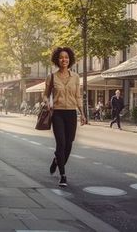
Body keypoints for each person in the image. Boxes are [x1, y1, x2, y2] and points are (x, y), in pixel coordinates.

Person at [44, 47, 86, 188]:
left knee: (69, 144)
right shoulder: (52, 77)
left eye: (66, 57)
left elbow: (78, 96)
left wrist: (83, 113)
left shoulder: (75, 77)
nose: (64, 60)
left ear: (70, 60)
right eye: (61, 57)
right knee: (61, 144)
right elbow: (45, 94)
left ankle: (57, 160)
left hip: (71, 113)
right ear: (57, 59)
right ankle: (63, 175)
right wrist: (47, 102)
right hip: (58, 113)